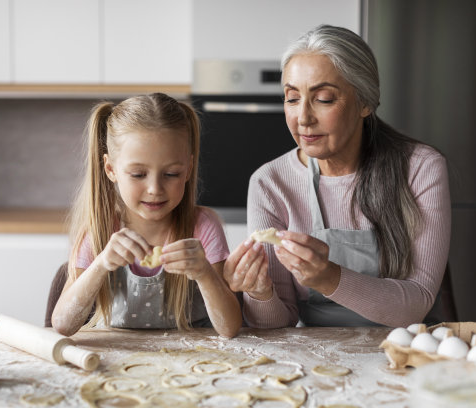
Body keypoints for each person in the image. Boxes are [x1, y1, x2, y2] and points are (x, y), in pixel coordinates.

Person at [223, 25, 451, 328]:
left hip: (405, 351)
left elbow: (416, 304)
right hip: (316, 363)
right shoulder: (270, 183)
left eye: (324, 98)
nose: (303, 117)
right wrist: (259, 292)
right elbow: (276, 325)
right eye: (292, 98)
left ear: (365, 102)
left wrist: (329, 277)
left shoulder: (420, 168)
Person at [52, 93, 242, 338]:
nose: (155, 189)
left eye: (171, 174)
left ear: (188, 169)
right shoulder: (100, 230)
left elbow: (229, 328)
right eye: (139, 174)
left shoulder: (203, 227)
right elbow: (63, 324)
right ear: (111, 170)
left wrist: (204, 273)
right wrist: (101, 264)